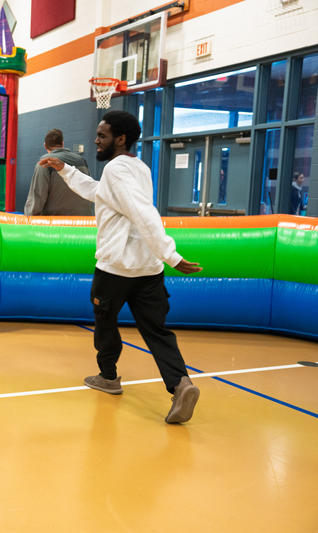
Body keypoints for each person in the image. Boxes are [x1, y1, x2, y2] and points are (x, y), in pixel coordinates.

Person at [39, 110, 203, 424]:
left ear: (120, 138)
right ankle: (181, 383)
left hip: (115, 268)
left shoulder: (116, 169)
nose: (96, 141)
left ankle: (109, 377)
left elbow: (143, 213)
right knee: (157, 330)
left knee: (105, 322)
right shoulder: (138, 168)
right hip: (148, 270)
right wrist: (65, 170)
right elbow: (99, 193)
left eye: (102, 136)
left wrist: (172, 254)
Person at [25, 129, 93, 216]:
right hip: (84, 223)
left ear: (45, 146)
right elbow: (90, 188)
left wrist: (29, 218)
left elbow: (37, 198)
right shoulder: (82, 160)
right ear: (62, 144)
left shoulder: (45, 163)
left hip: (57, 225)